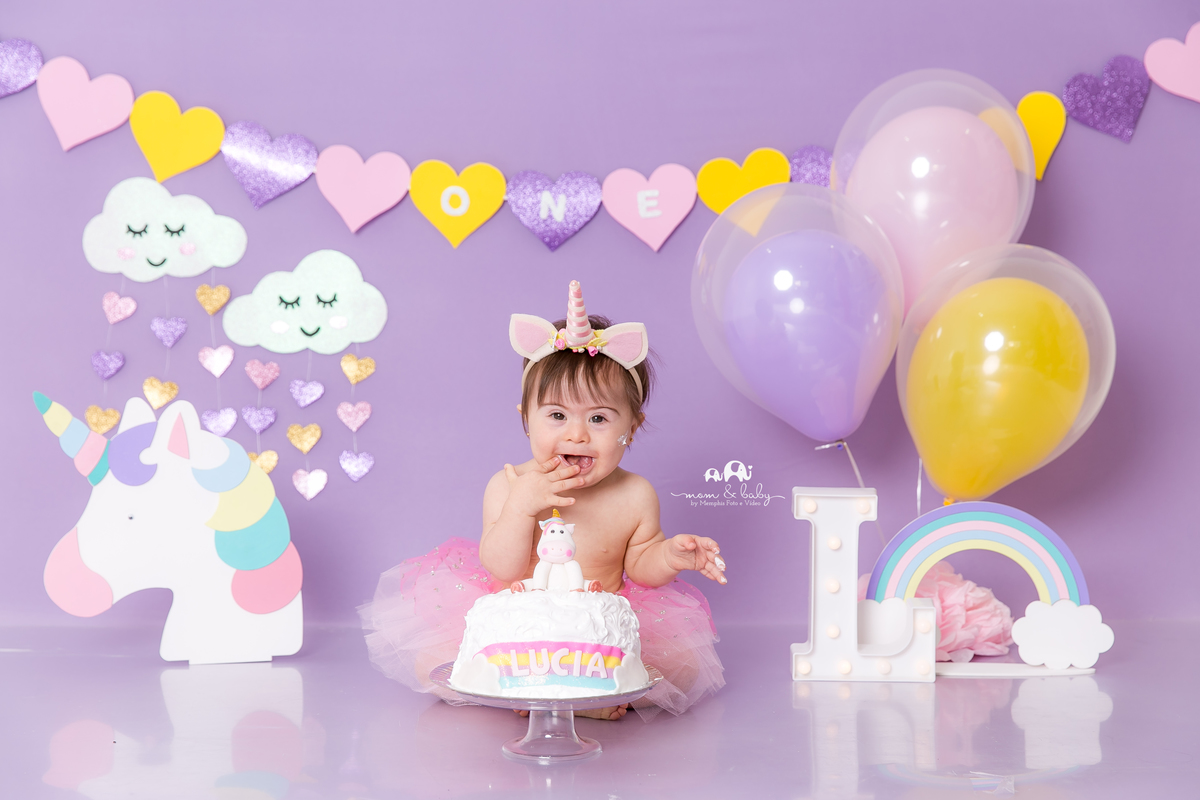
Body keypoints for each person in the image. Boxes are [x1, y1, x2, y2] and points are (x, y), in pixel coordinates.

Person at [360, 281, 726, 721]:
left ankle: (583, 696)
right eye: (557, 415)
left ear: (633, 425)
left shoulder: (634, 495)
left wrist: (670, 554)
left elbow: (641, 569)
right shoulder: (509, 483)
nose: (577, 434)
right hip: (518, 632)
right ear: (527, 421)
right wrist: (520, 506)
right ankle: (528, 687)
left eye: (598, 418)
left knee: (678, 670)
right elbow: (502, 567)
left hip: (595, 640)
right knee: (433, 662)